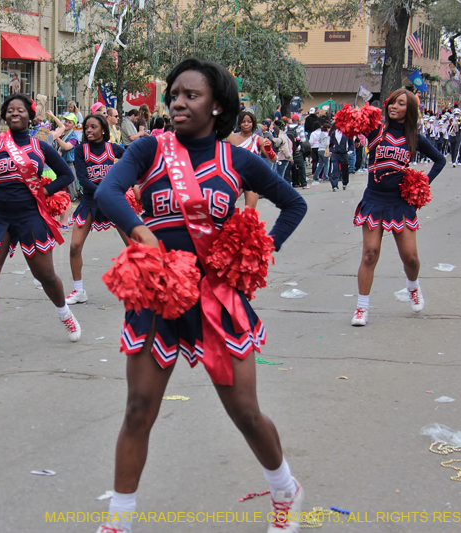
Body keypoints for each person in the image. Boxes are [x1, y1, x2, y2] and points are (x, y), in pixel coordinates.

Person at [94, 57, 308, 533]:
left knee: (246, 413)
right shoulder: (149, 148)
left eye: (192, 95)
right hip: (160, 295)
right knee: (137, 409)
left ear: (217, 105)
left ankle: (285, 489)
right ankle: (118, 523)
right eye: (175, 94)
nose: (179, 102)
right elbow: (106, 192)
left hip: (217, 300)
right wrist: (140, 232)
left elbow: (294, 203)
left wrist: (257, 250)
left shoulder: (238, 160)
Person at [0, 93, 82, 352]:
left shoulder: (40, 146)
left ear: (29, 116)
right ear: (5, 116)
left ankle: (65, 314)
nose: (15, 113)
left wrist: (46, 192)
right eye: (10, 110)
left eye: (20, 110)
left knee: (46, 275)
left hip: (30, 216)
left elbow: (64, 175)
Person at [351, 89, 445, 326]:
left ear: (409, 109)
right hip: (374, 200)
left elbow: (440, 160)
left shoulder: (413, 137)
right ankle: (362, 308)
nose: (394, 106)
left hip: (400, 203)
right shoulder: (376, 131)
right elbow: (351, 125)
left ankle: (413, 286)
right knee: (370, 253)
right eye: (393, 102)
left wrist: (423, 182)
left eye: (401, 103)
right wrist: (357, 114)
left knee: (410, 258)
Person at [65, 113, 129, 305]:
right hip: (90, 202)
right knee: (75, 246)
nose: (89, 130)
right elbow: (83, 180)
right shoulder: (81, 150)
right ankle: (79, 291)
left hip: (113, 202)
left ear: (103, 129)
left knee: (133, 245)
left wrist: (125, 183)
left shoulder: (113, 148)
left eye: (93, 127)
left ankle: (144, 285)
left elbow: (132, 161)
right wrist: (105, 190)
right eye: (87, 127)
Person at [227, 110, 276, 208]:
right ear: (239, 123)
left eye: (249, 121)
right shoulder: (230, 138)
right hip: (235, 177)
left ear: (253, 124)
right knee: (226, 206)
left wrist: (268, 149)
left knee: (250, 213)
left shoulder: (258, 140)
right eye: (243, 121)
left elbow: (273, 159)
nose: (246, 124)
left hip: (253, 179)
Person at [328, 124, 350, 191]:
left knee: (345, 168)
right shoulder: (334, 133)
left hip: (344, 153)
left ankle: (345, 182)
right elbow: (331, 143)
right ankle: (334, 185)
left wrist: (349, 151)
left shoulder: (347, 133)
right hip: (336, 153)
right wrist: (331, 151)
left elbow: (351, 142)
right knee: (335, 168)